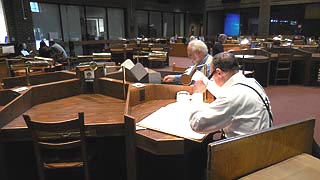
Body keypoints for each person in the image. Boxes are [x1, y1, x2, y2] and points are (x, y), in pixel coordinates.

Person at [189, 52, 273, 138]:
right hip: (264, 141)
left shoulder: (231, 97)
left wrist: (197, 93)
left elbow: (197, 125)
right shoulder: (252, 82)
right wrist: (206, 82)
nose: (212, 80)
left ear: (219, 73)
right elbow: (226, 94)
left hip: (244, 148)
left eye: (211, 76)